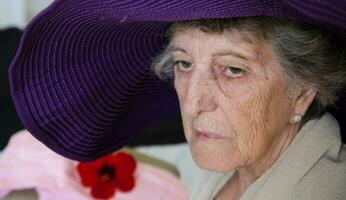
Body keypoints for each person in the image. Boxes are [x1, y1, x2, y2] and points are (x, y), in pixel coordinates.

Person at [9, 0, 346, 199]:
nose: (195, 102)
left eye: (232, 69)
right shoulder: (239, 163)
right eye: (184, 64)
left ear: (302, 91)